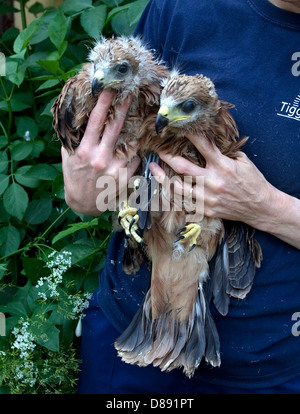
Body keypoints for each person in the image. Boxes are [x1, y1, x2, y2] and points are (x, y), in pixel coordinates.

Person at [61, 0, 300, 394]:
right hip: (131, 324)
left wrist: (267, 208)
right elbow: (108, 104)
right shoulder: (186, 5)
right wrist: (88, 187)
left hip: (267, 365)